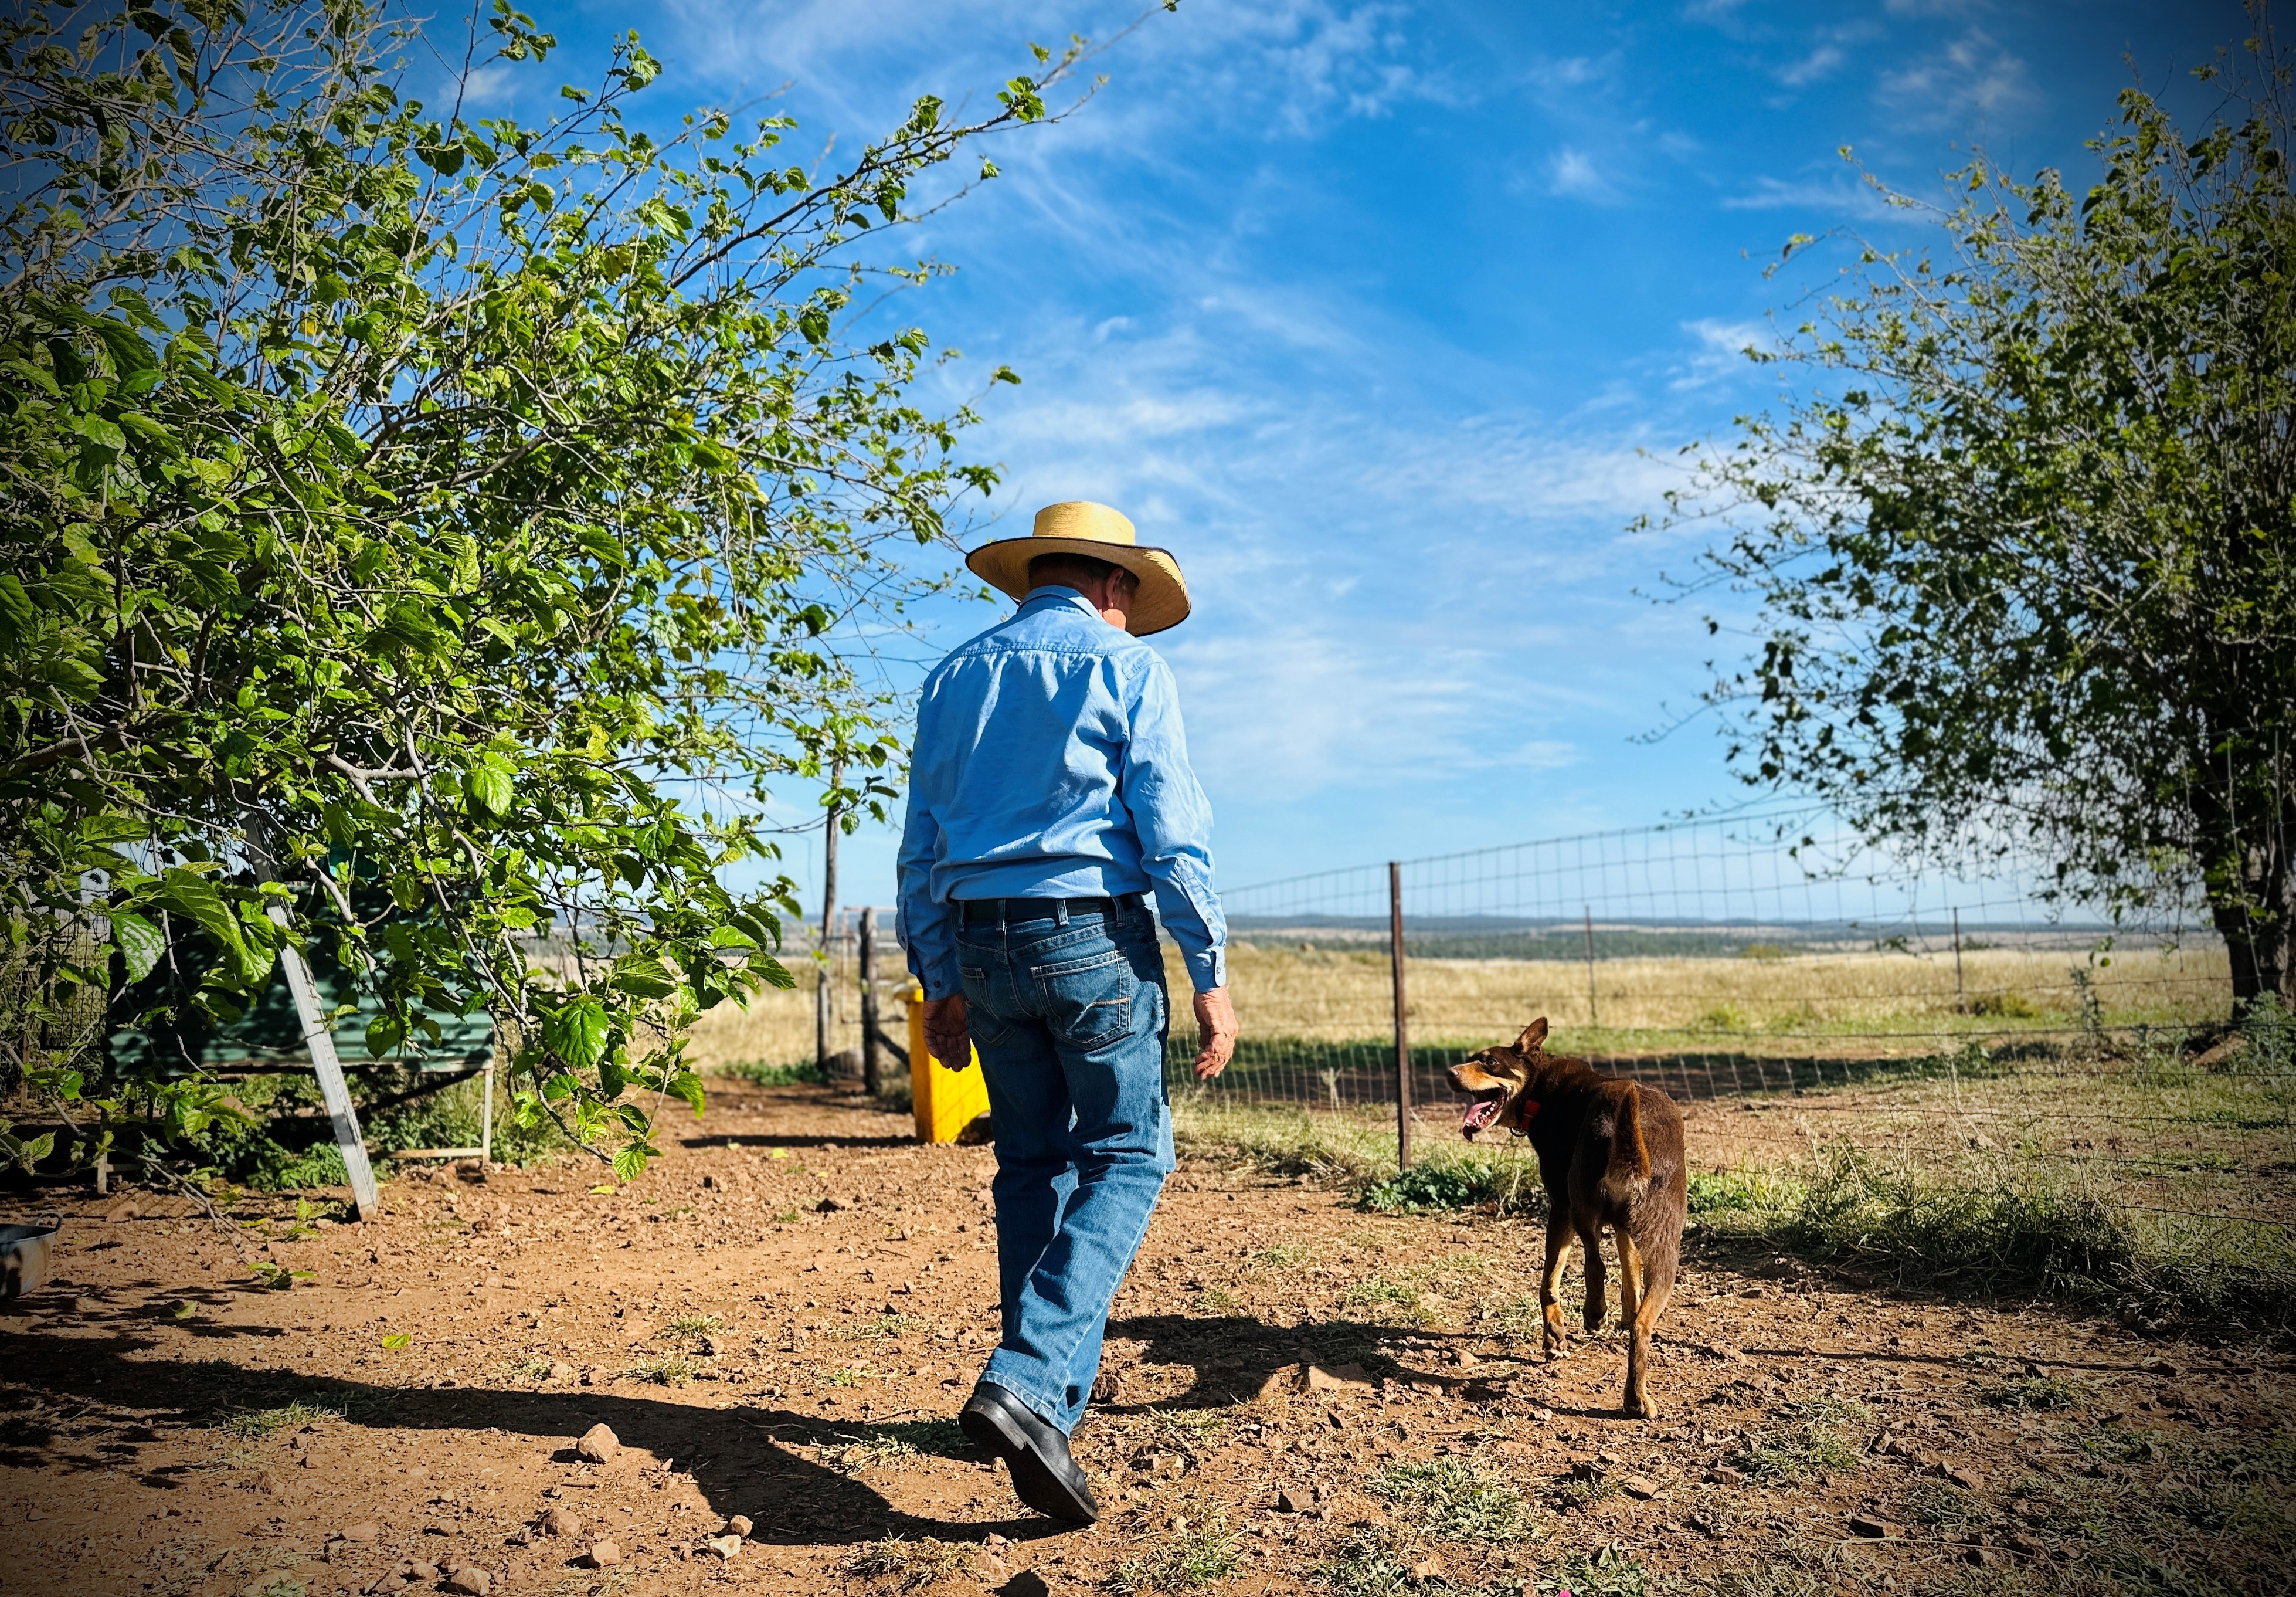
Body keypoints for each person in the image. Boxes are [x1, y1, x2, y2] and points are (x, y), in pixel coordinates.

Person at [896, 500, 1239, 1524]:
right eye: (1134, 598)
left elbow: (922, 841)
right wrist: (1209, 969)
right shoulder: (1126, 667)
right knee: (1132, 1156)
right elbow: (1170, 829)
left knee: (1033, 1164)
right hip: (1092, 937)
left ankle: (1041, 1406)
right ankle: (1030, 1378)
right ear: (1113, 586)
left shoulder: (953, 677)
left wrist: (940, 976)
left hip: (982, 945)